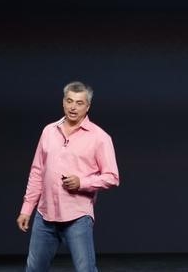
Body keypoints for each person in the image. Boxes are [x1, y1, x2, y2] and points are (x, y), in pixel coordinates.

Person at [16, 81, 120, 272]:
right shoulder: (49, 131)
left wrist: (82, 182)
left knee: (85, 270)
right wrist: (26, 209)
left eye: (79, 103)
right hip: (44, 216)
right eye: (69, 101)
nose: (73, 107)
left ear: (88, 106)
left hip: (77, 216)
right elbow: (37, 171)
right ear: (63, 102)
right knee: (33, 269)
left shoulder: (100, 137)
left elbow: (112, 176)